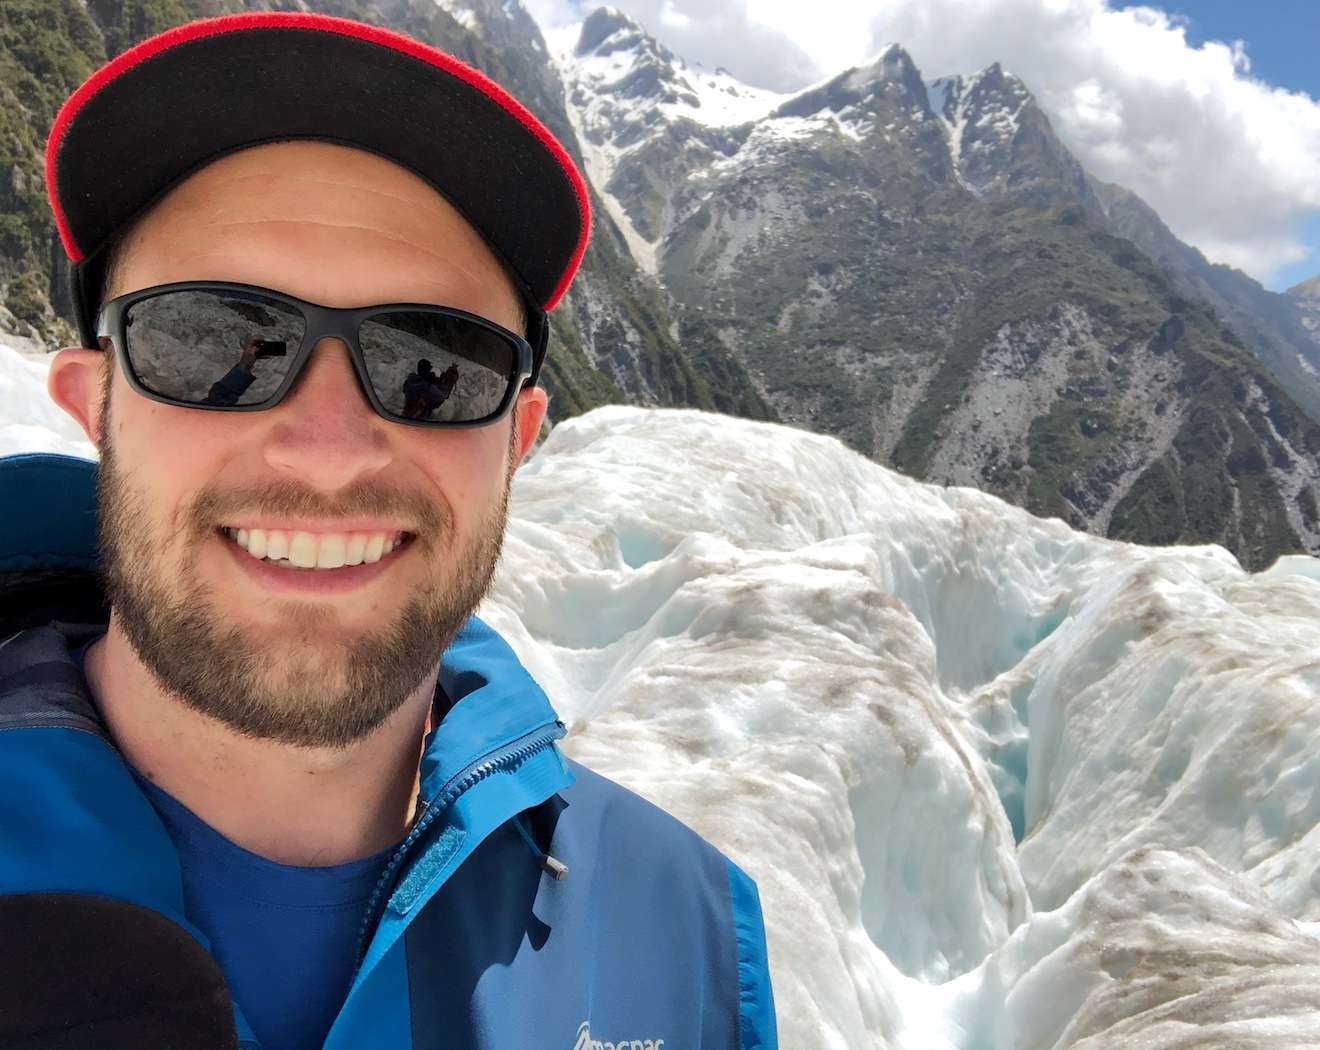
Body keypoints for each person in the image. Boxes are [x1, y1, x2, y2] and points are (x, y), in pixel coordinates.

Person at [0, 13, 776, 1050]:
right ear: (93, 402)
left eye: (436, 360)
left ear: (518, 438)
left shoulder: (685, 935)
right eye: (214, 339)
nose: (328, 450)